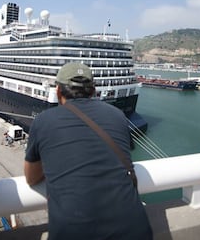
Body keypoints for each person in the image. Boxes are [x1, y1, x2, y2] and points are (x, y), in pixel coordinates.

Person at [24, 62, 152, 240]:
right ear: (93, 91)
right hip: (135, 231)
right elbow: (122, 155)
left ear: (58, 91)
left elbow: (31, 178)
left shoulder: (43, 121)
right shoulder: (117, 115)